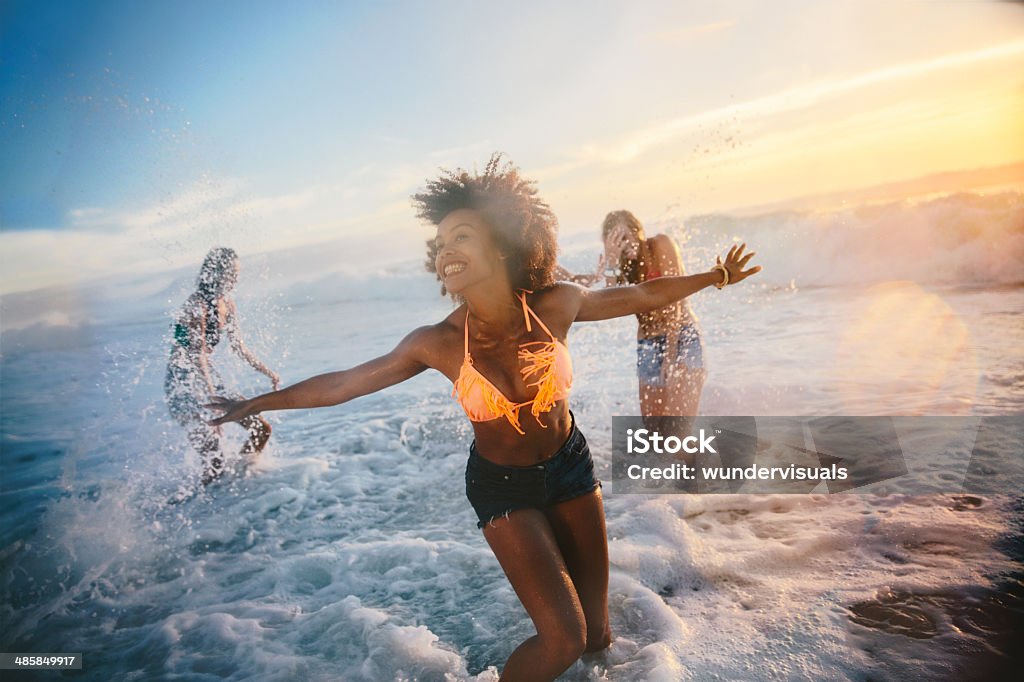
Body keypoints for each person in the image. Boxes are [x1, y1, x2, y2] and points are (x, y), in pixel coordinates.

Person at [207, 155, 759, 681]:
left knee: (596, 637)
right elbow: (344, 383)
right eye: (440, 243)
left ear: (501, 246)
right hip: (502, 488)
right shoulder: (438, 343)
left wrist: (715, 277)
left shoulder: (556, 304)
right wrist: (254, 404)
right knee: (563, 638)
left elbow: (641, 293)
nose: (446, 251)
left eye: (462, 237)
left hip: (570, 467)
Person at [560, 210, 713, 418]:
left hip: (681, 337)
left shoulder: (660, 245)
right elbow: (606, 300)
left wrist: (670, 356)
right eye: (616, 242)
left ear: (638, 231)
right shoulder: (620, 263)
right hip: (648, 345)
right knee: (654, 431)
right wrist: (612, 262)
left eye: (625, 237)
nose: (624, 245)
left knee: (679, 426)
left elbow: (674, 300)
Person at [164, 247, 280, 485]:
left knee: (260, 429)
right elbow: (198, 358)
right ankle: (206, 508)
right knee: (213, 459)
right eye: (232, 274)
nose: (236, 279)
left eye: (238, 274)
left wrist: (268, 372)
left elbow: (239, 347)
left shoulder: (227, 303)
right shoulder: (196, 305)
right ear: (216, 273)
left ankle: (242, 480)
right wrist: (213, 403)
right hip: (183, 382)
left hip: (209, 378)